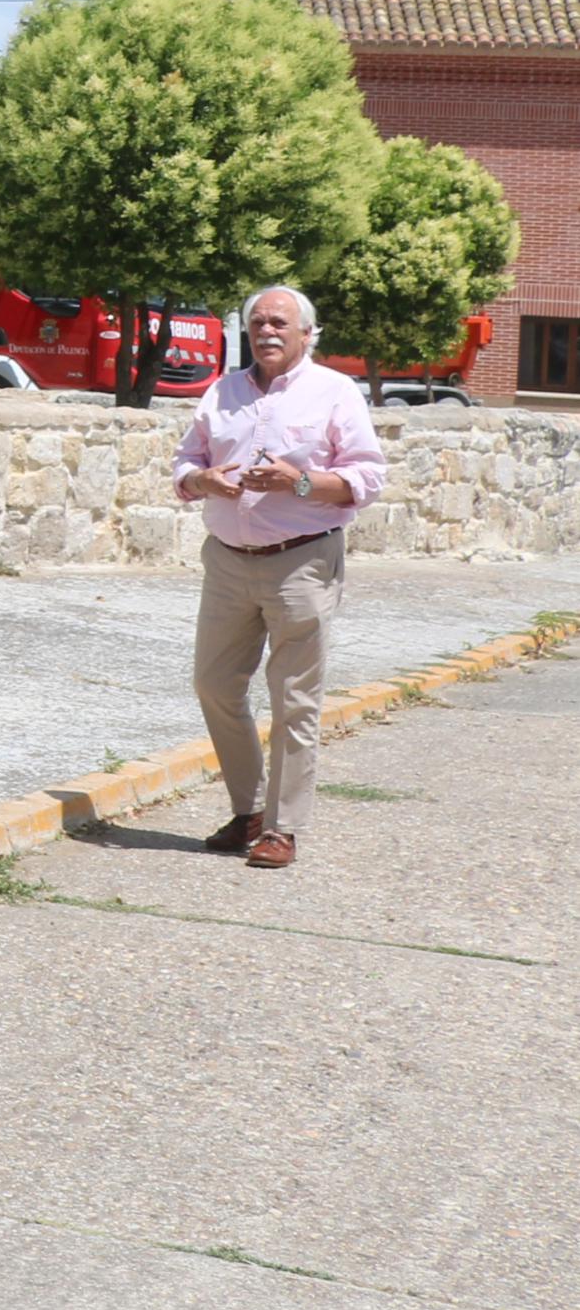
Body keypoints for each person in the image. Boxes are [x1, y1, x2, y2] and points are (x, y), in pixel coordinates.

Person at [171, 284, 388, 871]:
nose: (267, 331)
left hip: (303, 561)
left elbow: (367, 478)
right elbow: (184, 462)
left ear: (307, 334)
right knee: (214, 686)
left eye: (280, 323)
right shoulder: (222, 390)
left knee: (294, 699)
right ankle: (248, 812)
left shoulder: (335, 392)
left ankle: (283, 828)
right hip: (226, 560)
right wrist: (201, 482)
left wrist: (297, 482)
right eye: (258, 322)